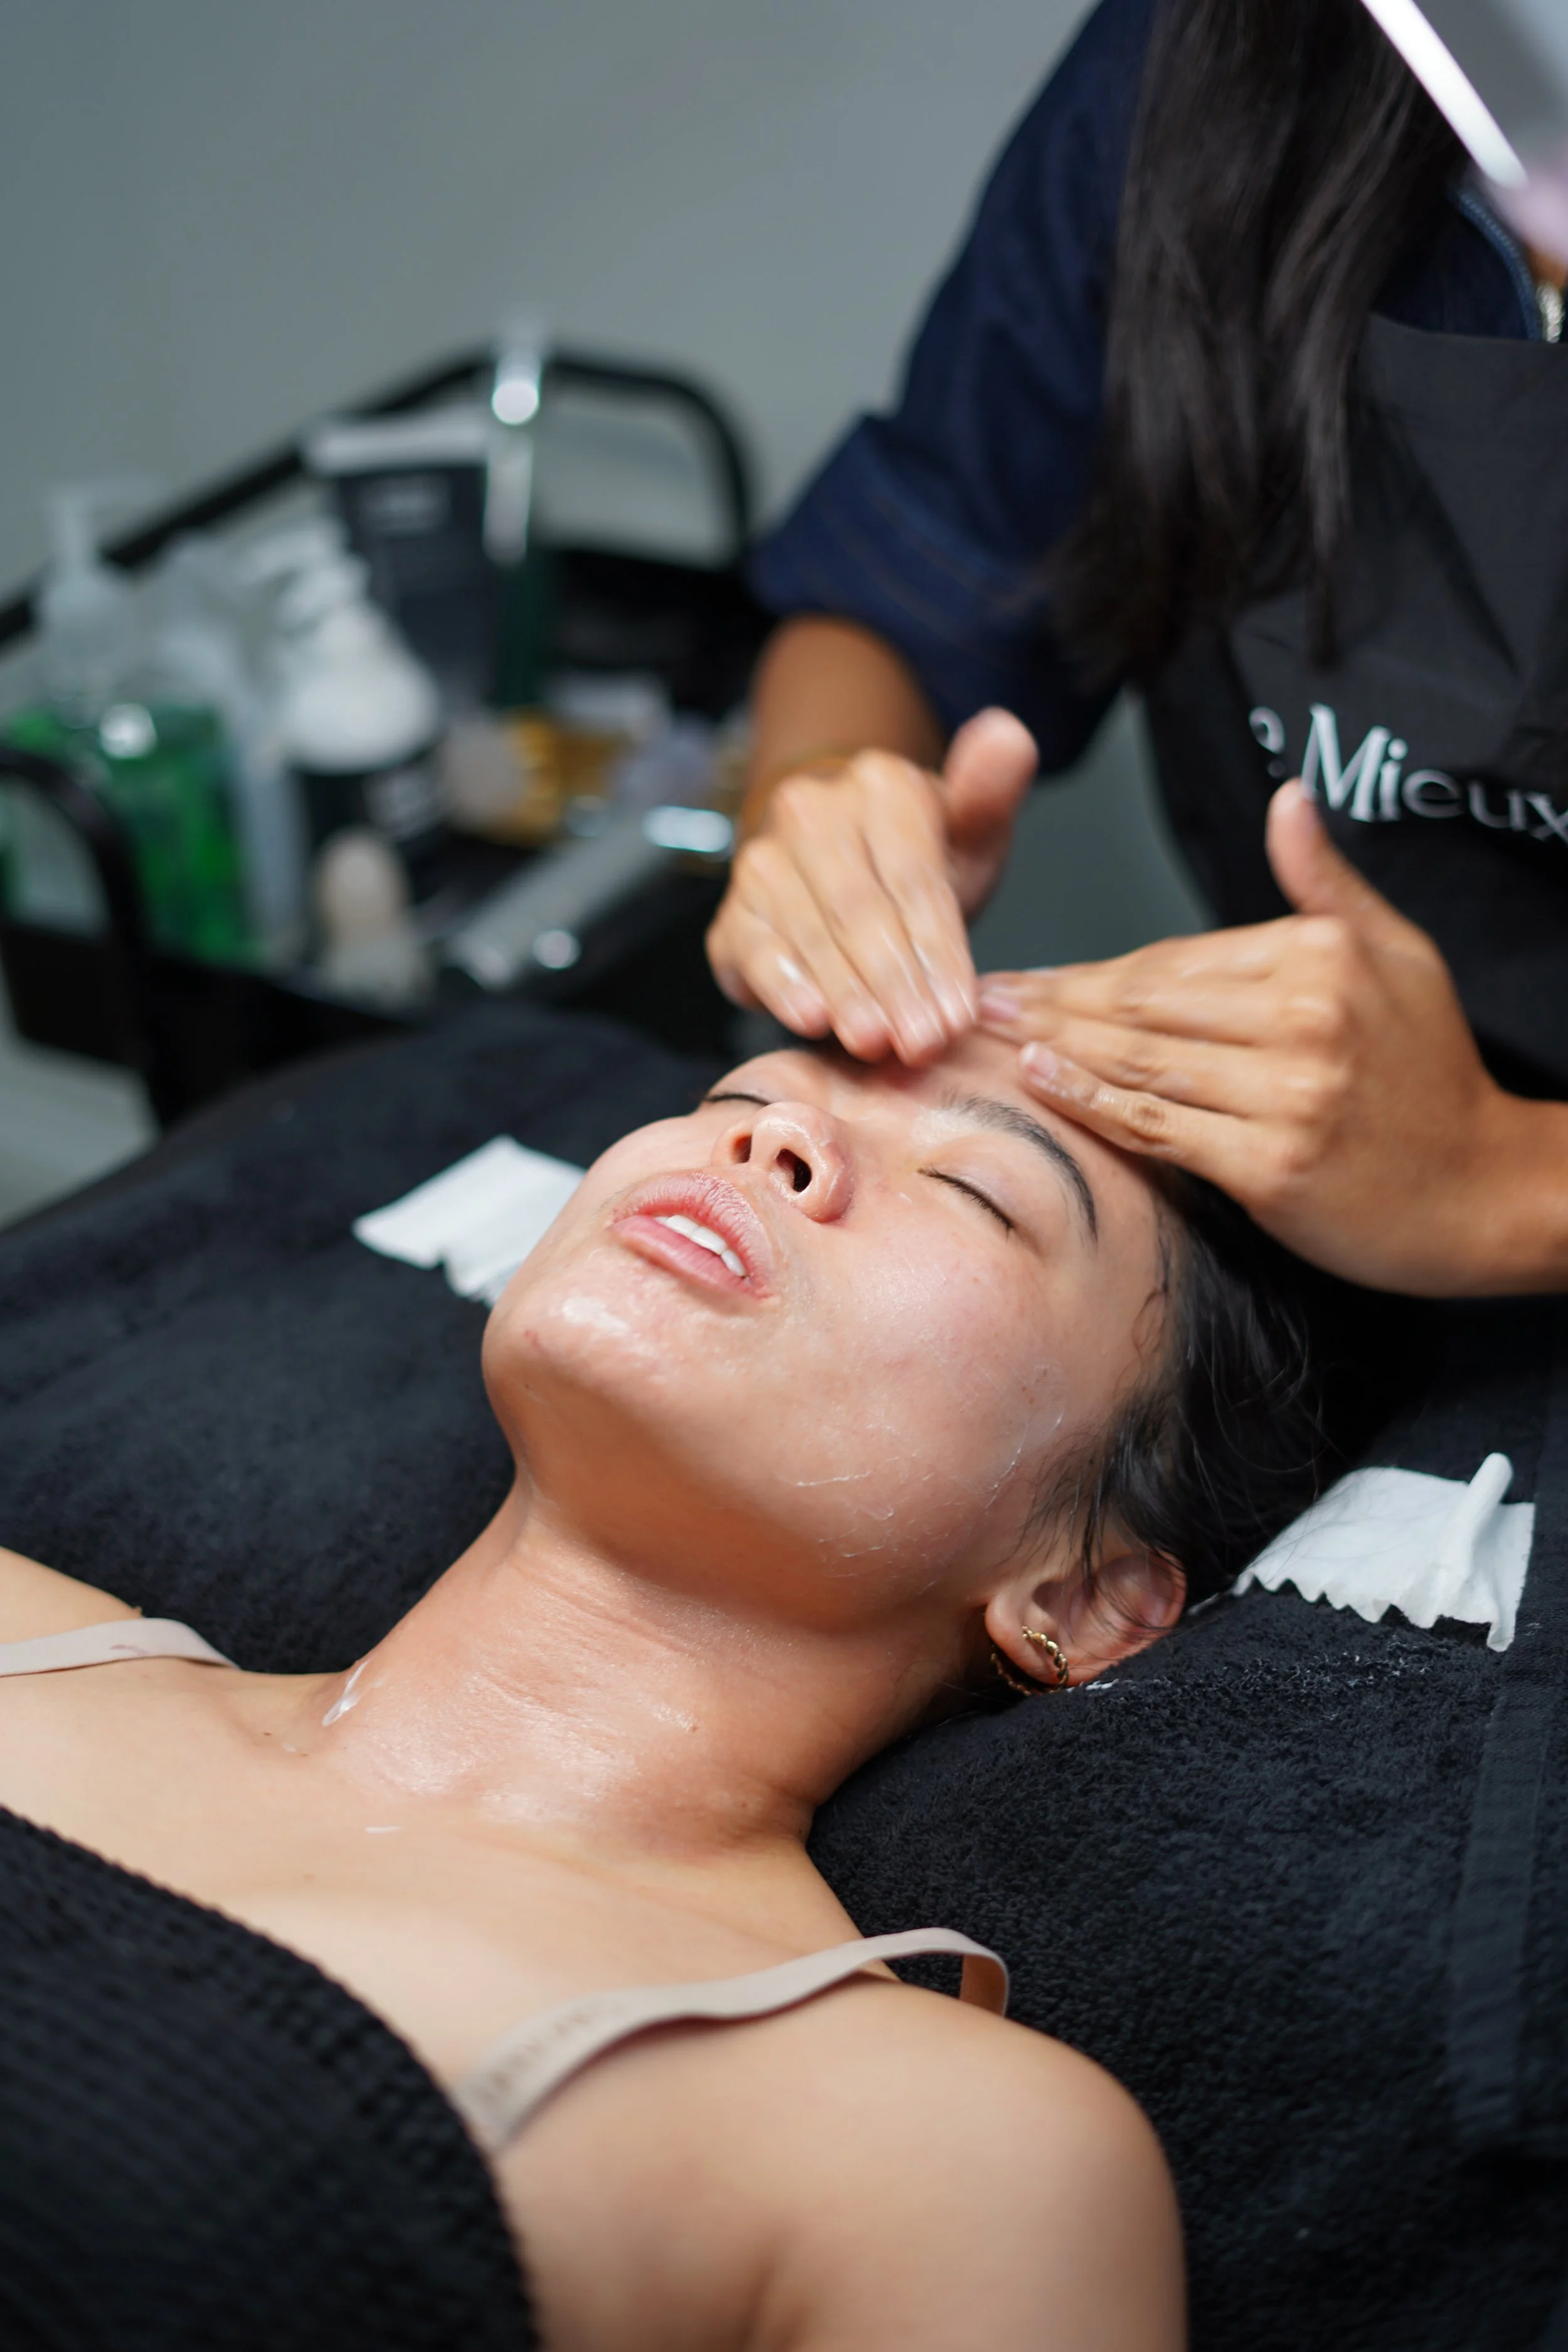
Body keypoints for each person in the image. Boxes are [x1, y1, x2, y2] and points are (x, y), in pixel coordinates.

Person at [0, 1030, 1323, 2352]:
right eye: (739, 1095)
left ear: (1079, 1600)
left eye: (976, 1189)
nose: (771, 1140)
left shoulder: (933, 2154)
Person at [709, 0, 1568, 1305]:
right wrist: (821, 791)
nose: (776, 1152)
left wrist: (1504, 1183)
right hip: (1327, 1234)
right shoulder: (1208, 62)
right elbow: (910, 583)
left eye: (988, 1195)